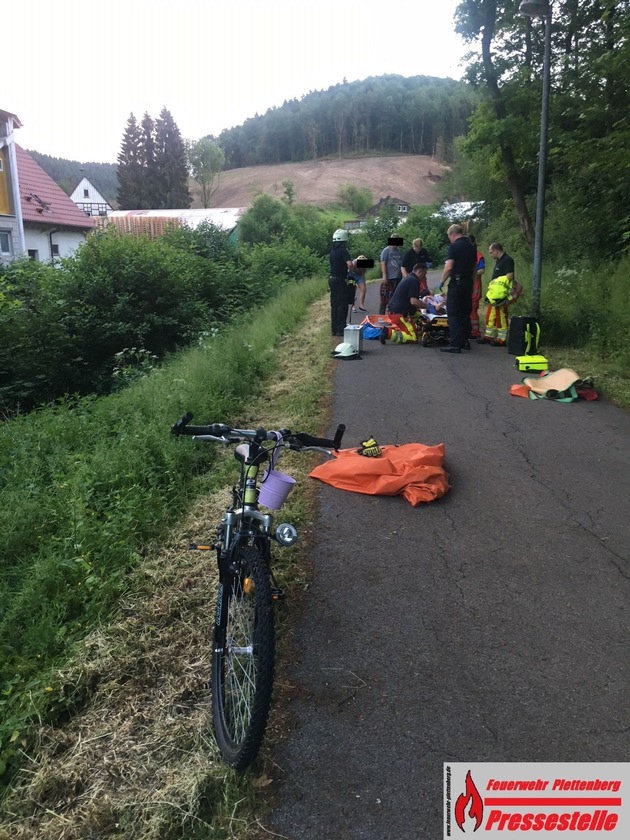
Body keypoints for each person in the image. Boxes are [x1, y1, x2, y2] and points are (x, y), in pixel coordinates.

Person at [438, 224, 478, 353]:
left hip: (457, 283)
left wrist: (442, 281)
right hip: (468, 283)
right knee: (465, 312)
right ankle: (465, 340)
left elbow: (449, 267)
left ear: (452, 234)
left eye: (449, 237)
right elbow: (474, 268)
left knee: (453, 313)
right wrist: (472, 283)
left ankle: (455, 344)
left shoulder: (454, 247)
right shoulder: (472, 248)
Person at [478, 242, 523, 346]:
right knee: (491, 315)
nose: (490, 255)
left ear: (496, 251)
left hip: (502, 294)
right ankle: (488, 336)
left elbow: (509, 276)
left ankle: (501, 339)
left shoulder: (507, 260)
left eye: (491, 252)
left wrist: (496, 283)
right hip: (494, 294)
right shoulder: (499, 261)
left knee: (501, 316)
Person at [379, 264, 430, 344]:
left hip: (396, 310)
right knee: (413, 338)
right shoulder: (414, 281)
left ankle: (415, 327)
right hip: (400, 314)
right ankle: (388, 333)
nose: (424, 277)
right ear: (420, 272)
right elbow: (413, 301)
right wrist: (428, 307)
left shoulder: (409, 278)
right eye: (424, 274)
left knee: (420, 316)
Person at [329, 229, 354, 337]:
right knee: (342, 304)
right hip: (340, 279)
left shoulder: (332, 250)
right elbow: (349, 264)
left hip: (331, 279)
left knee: (334, 304)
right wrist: (350, 271)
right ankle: (341, 329)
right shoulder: (343, 250)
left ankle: (334, 329)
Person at [379, 236, 404, 314]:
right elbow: (383, 263)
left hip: (398, 277)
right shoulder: (386, 251)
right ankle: (381, 315)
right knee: (384, 297)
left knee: (396, 297)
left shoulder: (399, 251)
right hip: (389, 277)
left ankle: (393, 314)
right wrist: (385, 275)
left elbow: (401, 263)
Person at [468, 235, 485, 339]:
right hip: (469, 286)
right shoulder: (469, 254)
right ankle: (470, 330)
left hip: (475, 287)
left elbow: (482, 270)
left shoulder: (478, 255)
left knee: (473, 310)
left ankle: (475, 332)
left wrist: (471, 274)